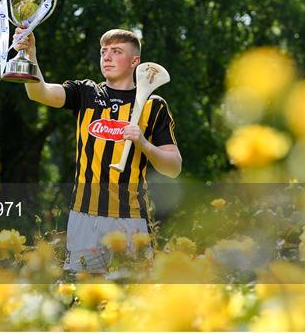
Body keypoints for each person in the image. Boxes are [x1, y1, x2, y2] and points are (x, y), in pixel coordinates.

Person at [13, 28, 182, 273]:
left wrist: (144, 144)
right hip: (84, 215)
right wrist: (31, 55)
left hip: (131, 218)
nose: (107, 57)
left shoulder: (154, 106)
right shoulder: (86, 93)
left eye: (116, 51)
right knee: (80, 294)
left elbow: (174, 168)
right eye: (104, 52)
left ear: (135, 61)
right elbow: (39, 93)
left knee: (133, 298)